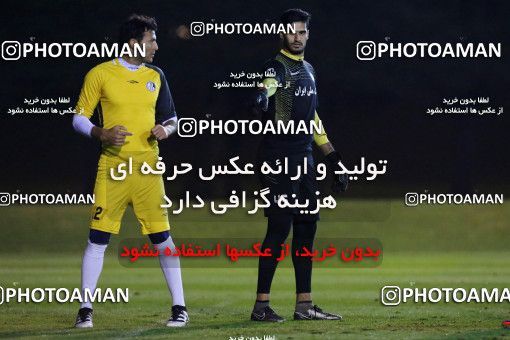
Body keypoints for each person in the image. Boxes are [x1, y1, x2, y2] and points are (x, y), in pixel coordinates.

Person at [72, 14, 188, 328]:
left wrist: (166, 130)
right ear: (134, 43)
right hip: (113, 167)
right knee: (98, 238)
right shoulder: (100, 73)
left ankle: (179, 307)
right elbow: (79, 117)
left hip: (149, 168)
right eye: (151, 40)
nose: (156, 46)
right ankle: (85, 310)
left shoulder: (157, 75)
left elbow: (172, 119)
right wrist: (100, 133)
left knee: (162, 237)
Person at [250, 8, 349, 322]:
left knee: (307, 229)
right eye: (292, 31)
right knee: (278, 229)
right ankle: (261, 307)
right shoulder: (275, 66)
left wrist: (334, 161)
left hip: (304, 160)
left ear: (308, 34)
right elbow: (269, 84)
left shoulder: (309, 69)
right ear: (282, 33)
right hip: (277, 159)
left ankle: (304, 306)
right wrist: (263, 97)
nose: (297, 36)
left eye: (302, 31)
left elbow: (314, 120)